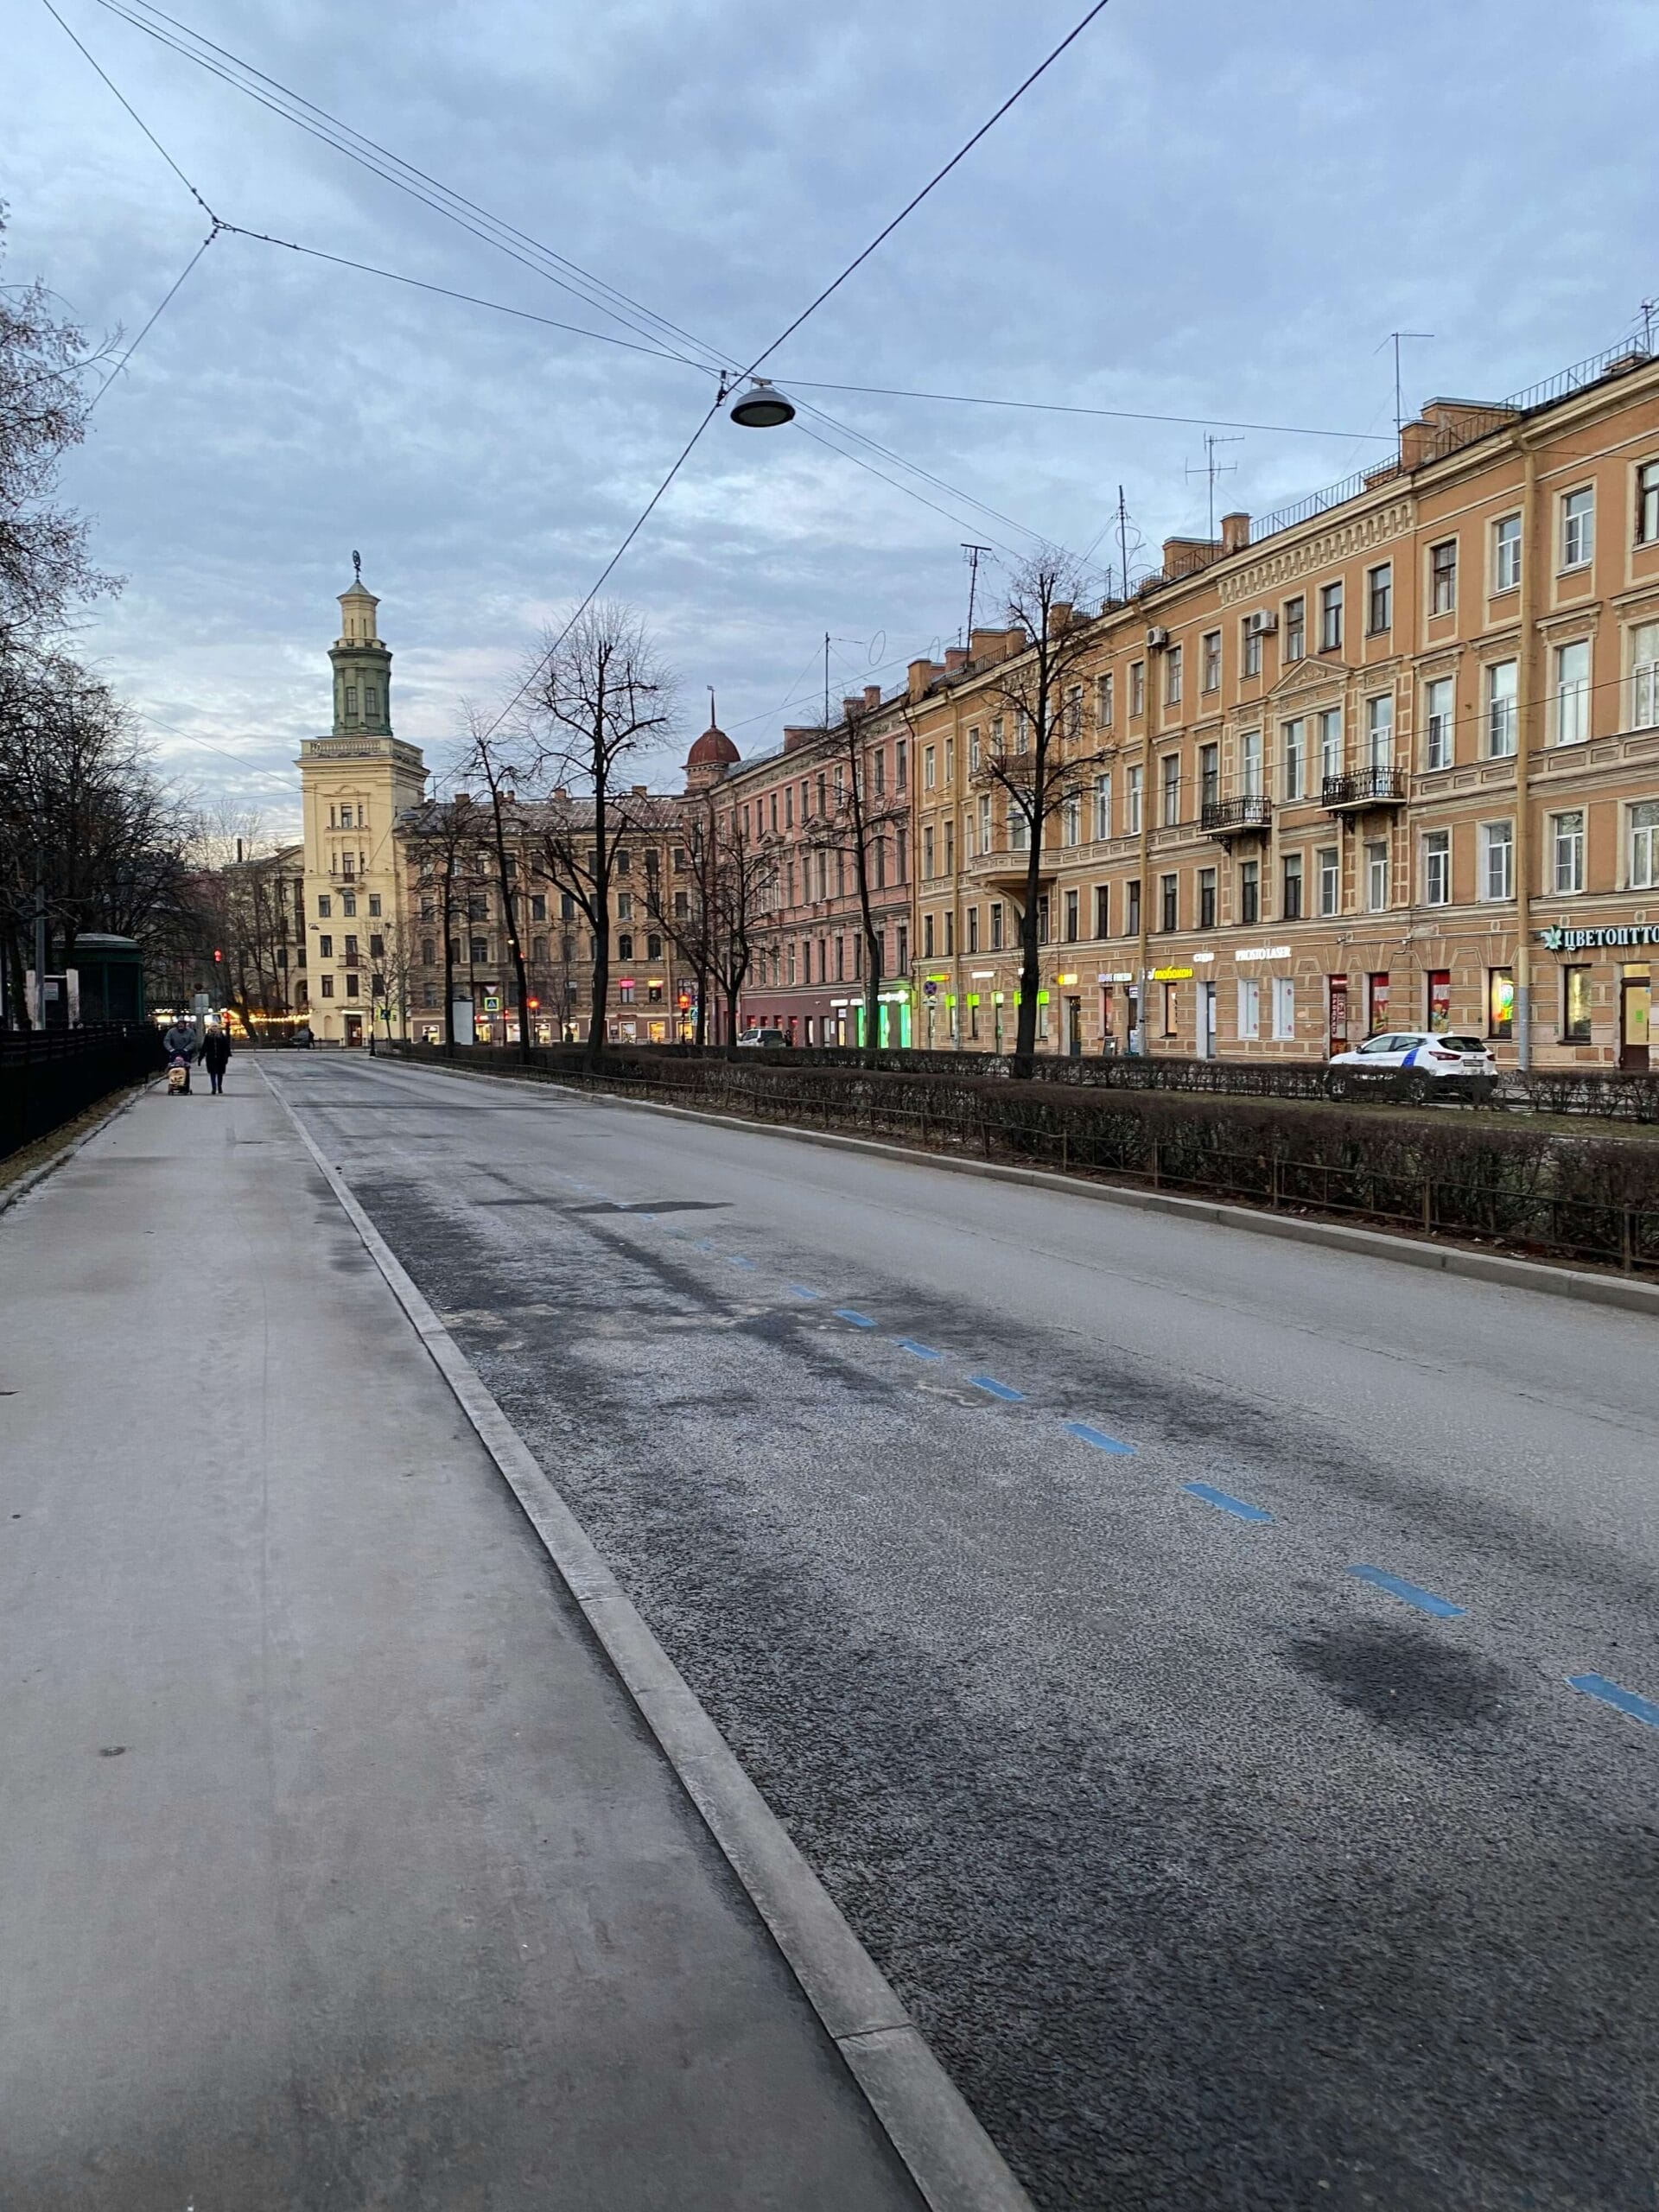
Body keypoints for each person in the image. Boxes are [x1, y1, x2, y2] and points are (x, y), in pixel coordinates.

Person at [162, 1017, 197, 1092]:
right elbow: (166, 1041)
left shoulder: (190, 1032)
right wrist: (171, 1049)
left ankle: (185, 1086)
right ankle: (174, 1084)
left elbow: (193, 1041)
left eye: (182, 1024)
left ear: (185, 1024)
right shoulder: (171, 1032)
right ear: (177, 1024)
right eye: (179, 1024)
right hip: (174, 1052)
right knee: (174, 1068)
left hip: (185, 1053)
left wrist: (187, 1049)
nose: (181, 1025)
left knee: (185, 1069)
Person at [200, 1022, 232, 1095]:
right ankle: (214, 1088)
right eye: (213, 1026)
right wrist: (200, 1057)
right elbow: (204, 1047)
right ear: (210, 1028)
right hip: (211, 1058)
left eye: (215, 1026)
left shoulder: (221, 1036)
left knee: (220, 1073)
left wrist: (227, 1056)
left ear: (218, 1027)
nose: (214, 1028)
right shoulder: (208, 1036)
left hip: (221, 1058)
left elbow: (226, 1046)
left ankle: (219, 1087)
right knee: (212, 1073)